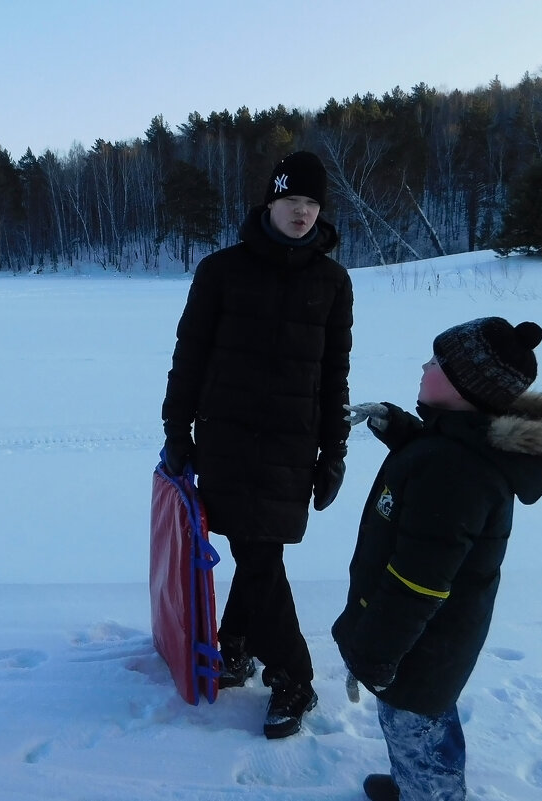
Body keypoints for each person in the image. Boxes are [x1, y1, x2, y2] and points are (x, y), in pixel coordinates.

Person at [332, 317, 542, 801]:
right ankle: (423, 782)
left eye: (436, 362)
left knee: (412, 725)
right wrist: (403, 428)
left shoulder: (454, 472)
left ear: (462, 387)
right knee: (430, 716)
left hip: (419, 641)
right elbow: (451, 452)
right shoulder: (460, 447)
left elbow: (418, 581)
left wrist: (375, 654)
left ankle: (430, 791)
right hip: (439, 637)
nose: (424, 365)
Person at [161, 151, 353, 739]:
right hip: (228, 441)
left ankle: (240, 648)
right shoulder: (222, 271)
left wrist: (333, 452)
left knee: (260, 554)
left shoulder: (332, 281)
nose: (302, 212)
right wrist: (178, 432)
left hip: (293, 447)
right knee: (259, 554)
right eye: (293, 200)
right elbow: (188, 357)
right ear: (270, 202)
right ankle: (293, 674)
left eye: (313, 203)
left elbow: (334, 375)